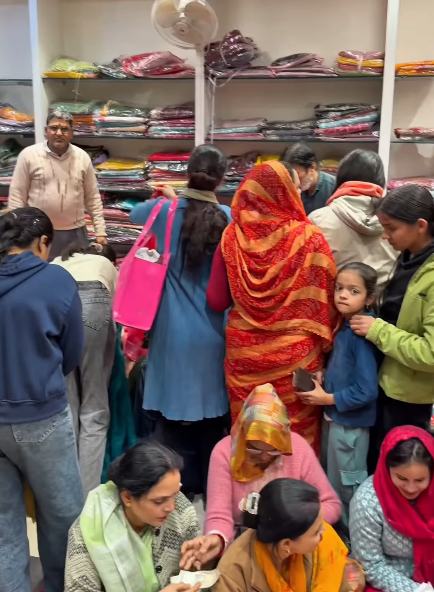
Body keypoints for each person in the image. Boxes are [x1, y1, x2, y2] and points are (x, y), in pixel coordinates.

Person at [207, 161, 338, 451]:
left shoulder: (232, 237)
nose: (298, 193)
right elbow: (327, 301)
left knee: (250, 432)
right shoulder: (310, 238)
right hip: (296, 358)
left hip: (245, 355)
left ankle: (249, 480)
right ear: (286, 191)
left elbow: (216, 300)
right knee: (296, 438)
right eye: (295, 188)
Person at [129, 145, 231, 497]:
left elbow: (134, 215)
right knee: (211, 420)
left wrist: (170, 198)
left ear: (187, 172)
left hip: (171, 332)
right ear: (221, 179)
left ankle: (176, 492)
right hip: (214, 331)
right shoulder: (228, 218)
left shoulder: (163, 212)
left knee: (170, 424)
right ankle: (210, 491)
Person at [0, 208, 85, 592]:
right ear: (42, 242)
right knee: (63, 518)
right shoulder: (56, 280)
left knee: (4, 528)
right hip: (40, 415)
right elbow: (72, 352)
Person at [181, 384, 341, 562]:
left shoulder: (297, 449)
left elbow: (331, 504)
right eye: (254, 449)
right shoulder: (225, 453)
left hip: (293, 549)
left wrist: (297, 522)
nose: (264, 456)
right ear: (243, 436)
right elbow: (219, 516)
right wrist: (217, 538)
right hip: (244, 550)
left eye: (273, 450)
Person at [350, 185, 434, 452]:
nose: (385, 236)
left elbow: (430, 353)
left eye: (391, 228)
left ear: (420, 226)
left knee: (396, 459)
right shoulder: (410, 256)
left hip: (408, 396)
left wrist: (378, 330)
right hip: (386, 379)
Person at [297, 263, 379, 529]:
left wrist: (328, 400)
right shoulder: (345, 326)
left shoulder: (361, 335)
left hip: (350, 425)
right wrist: (324, 374)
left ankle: (355, 537)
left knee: (347, 484)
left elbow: (366, 390)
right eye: (340, 288)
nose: (343, 295)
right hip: (336, 418)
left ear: (370, 298)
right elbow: (346, 369)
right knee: (332, 480)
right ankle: (337, 533)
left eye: (354, 291)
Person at [65, 440, 203, 592]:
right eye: (159, 501)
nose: (171, 507)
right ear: (127, 498)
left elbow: (198, 572)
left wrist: (205, 560)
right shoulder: (90, 529)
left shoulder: (181, 510)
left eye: (176, 494)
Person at [212, 478, 364, 592]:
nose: (325, 531)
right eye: (316, 531)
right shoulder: (233, 574)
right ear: (286, 544)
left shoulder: (324, 547)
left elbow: (342, 581)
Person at [52, 242, 118, 497]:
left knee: (67, 405)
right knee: (94, 408)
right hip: (94, 301)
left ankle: (66, 492)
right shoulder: (105, 265)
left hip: (58, 303)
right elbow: (116, 317)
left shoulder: (58, 261)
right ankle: (86, 496)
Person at [8, 108, 107, 260]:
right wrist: (16, 233)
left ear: (71, 133)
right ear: (45, 131)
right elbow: (17, 197)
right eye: (54, 128)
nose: (59, 133)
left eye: (64, 129)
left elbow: (92, 197)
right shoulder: (28, 156)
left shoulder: (82, 157)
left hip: (76, 233)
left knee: (75, 271)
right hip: (38, 233)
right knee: (40, 272)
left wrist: (100, 232)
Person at [350, 426, 434, 592]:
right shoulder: (367, 503)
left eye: (420, 480)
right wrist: (418, 590)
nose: (410, 488)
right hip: (390, 579)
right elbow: (371, 565)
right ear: (386, 469)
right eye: (402, 478)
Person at [309, 149, 398, 295]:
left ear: (340, 177)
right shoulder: (396, 222)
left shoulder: (318, 219)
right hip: (385, 304)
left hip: (334, 304)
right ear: (381, 180)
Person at [282, 143, 336, 215]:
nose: (292, 181)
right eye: (288, 175)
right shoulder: (285, 188)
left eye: (297, 174)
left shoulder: (334, 187)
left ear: (312, 168)